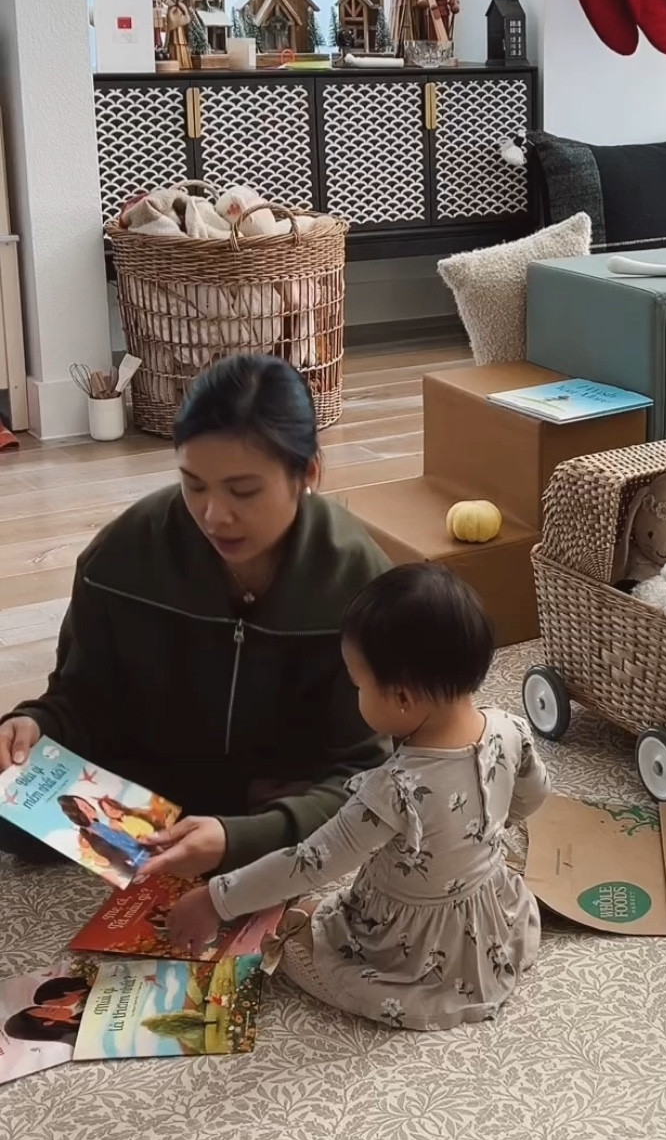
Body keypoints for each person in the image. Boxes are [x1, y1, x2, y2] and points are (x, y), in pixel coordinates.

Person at [0, 356, 390, 878]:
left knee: (390, 814)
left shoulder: (360, 584)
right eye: (194, 484)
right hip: (155, 782)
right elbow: (80, 699)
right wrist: (33, 725)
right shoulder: (119, 558)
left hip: (282, 797)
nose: (213, 514)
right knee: (12, 803)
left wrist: (241, 837)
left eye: (243, 491)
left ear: (308, 473)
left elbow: (364, 768)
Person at [168, 564, 550, 1032]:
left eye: (358, 685)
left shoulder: (395, 790)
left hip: (411, 950)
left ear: (404, 699)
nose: (355, 696)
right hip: (491, 914)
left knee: (292, 942)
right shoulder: (510, 729)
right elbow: (533, 797)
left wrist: (215, 899)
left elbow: (310, 862)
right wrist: (482, 829)